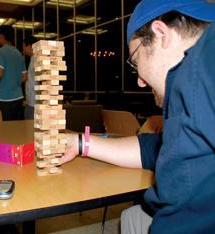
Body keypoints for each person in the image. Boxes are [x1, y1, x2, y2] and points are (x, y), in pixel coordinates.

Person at [60, 0, 215, 233]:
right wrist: (81, 143)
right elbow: (158, 149)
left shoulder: (195, 73)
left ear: (162, 34)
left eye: (135, 60)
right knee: (134, 215)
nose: (139, 80)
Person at [0, 25, 27, 121]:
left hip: (4, 98)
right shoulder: (18, 53)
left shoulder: (0, 51)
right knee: (15, 128)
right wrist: (14, 82)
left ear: (2, 36)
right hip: (18, 97)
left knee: (3, 130)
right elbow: (24, 77)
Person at [23, 36, 38, 120]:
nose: (23, 49)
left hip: (35, 102)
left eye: (23, 46)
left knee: (31, 128)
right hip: (30, 101)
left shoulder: (37, 59)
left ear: (29, 46)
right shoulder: (32, 59)